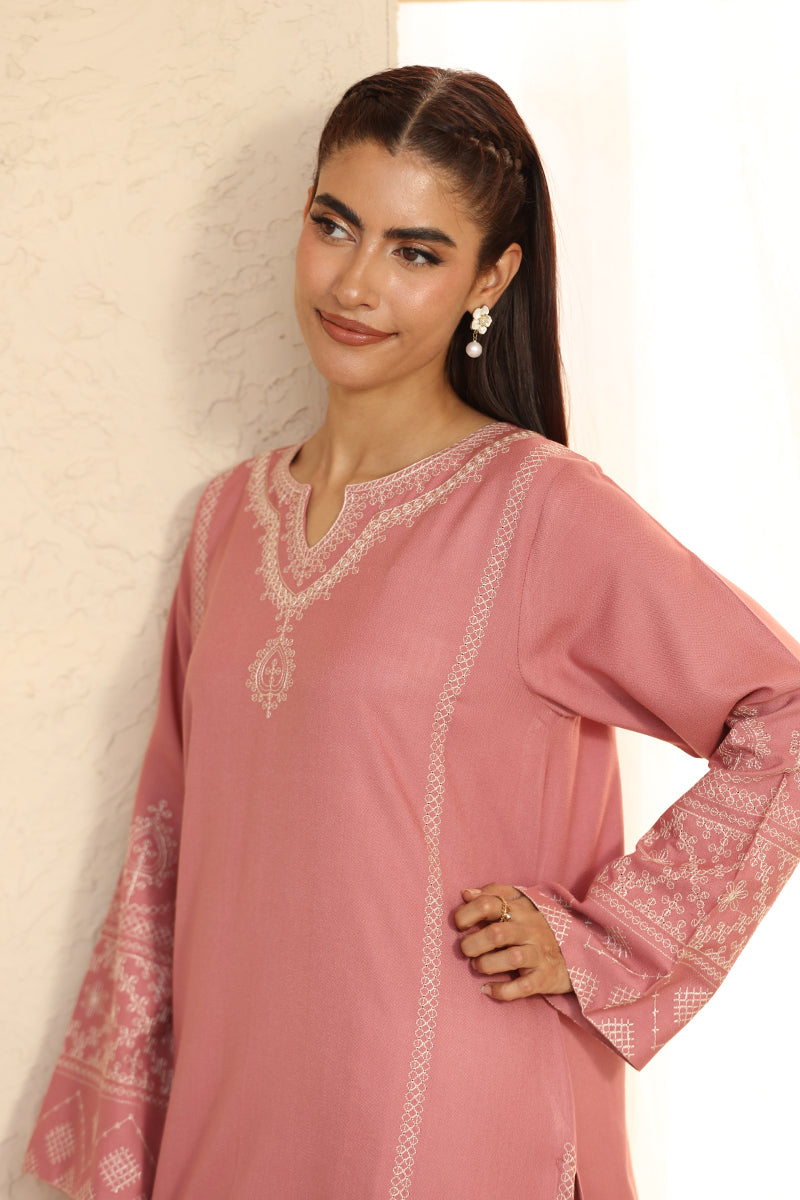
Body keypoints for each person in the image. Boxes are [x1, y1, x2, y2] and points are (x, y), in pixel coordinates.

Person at [25, 65, 800, 1200]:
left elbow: (777, 710)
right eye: (333, 225)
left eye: (416, 251)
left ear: (492, 276)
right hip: (238, 1119)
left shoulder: (537, 507)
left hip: (450, 1123)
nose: (354, 284)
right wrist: (125, 1139)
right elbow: (167, 840)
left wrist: (611, 937)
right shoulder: (226, 524)